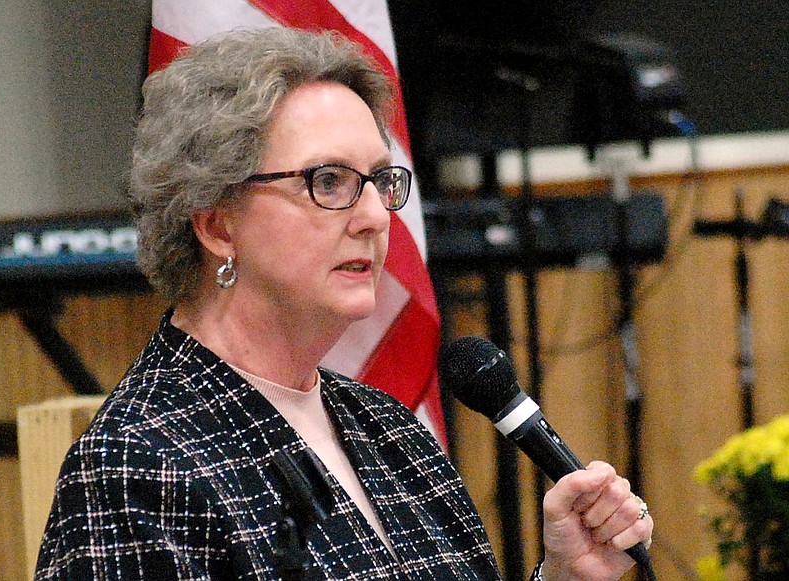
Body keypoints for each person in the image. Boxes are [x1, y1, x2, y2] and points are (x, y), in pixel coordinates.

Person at [35, 27, 653, 580]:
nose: (373, 217)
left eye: (381, 181)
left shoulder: (388, 426)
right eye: (327, 181)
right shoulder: (136, 468)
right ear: (217, 224)